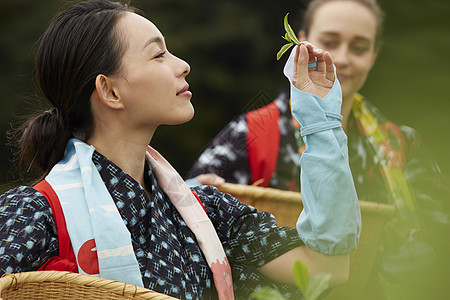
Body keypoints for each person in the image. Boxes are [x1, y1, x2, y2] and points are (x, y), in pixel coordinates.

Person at [0, 1, 362, 299]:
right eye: (158, 55)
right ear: (110, 91)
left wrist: (321, 126)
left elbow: (326, 265)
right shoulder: (33, 216)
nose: (182, 65)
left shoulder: (208, 211)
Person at [186, 0, 449, 298]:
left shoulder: (401, 145)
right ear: (299, 42)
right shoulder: (252, 131)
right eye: (328, 42)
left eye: (359, 48)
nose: (342, 58)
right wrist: (199, 187)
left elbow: (439, 241)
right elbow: (179, 206)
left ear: (374, 56)